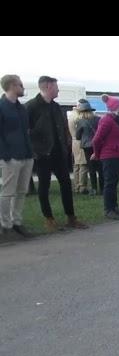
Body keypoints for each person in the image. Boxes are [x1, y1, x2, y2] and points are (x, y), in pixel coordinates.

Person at [24, 75, 87, 231]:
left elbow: (63, 127)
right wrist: (35, 149)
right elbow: (26, 131)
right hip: (43, 154)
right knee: (44, 186)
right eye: (56, 87)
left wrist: (66, 144)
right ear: (47, 87)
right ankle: (49, 219)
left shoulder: (56, 106)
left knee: (66, 184)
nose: (58, 90)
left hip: (59, 153)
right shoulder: (31, 107)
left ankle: (71, 218)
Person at [0, 74, 34, 240]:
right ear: (12, 86)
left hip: (26, 155)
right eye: (20, 85)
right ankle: (5, 225)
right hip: (10, 157)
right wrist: (6, 155)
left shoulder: (21, 108)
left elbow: (26, 131)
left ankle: (17, 222)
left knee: (22, 191)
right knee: (7, 193)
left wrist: (30, 152)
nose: (22, 88)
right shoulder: (1, 106)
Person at [92, 94, 119, 220]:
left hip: (116, 155)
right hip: (109, 155)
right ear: (114, 107)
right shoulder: (106, 120)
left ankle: (114, 206)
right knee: (109, 183)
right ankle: (108, 209)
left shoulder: (115, 120)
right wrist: (97, 153)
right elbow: (96, 139)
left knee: (114, 182)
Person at [75, 101, 103, 196]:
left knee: (91, 168)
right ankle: (103, 188)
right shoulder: (98, 119)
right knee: (100, 167)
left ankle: (94, 188)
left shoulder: (80, 121)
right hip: (98, 145)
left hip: (87, 146)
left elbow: (78, 136)